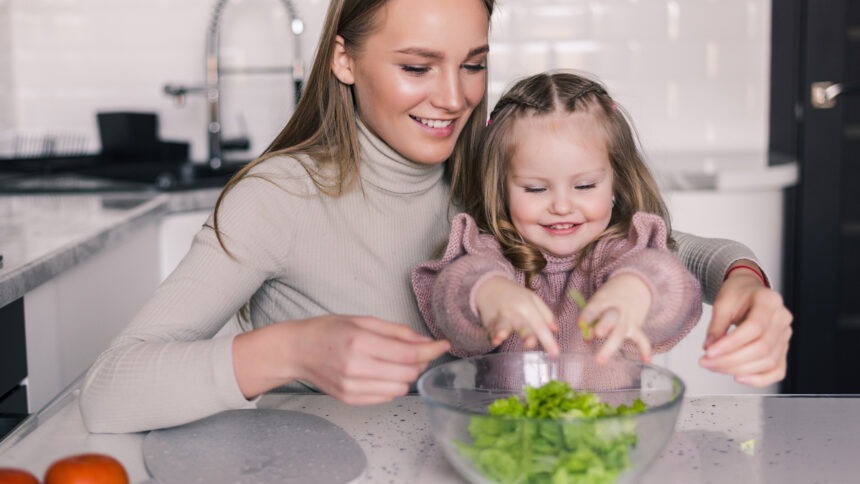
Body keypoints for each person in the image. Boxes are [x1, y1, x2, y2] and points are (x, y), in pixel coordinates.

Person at [79, 0, 791, 434]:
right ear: (344, 59)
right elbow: (110, 389)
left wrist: (744, 278)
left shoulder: (486, 168)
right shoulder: (279, 198)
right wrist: (290, 353)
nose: (453, 100)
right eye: (418, 67)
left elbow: (664, 251)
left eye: (473, 65)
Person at [413, 71, 703, 365]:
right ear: (500, 187)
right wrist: (489, 294)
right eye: (536, 189)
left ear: (617, 180)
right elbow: (452, 291)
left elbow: (675, 285)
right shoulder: (494, 254)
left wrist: (637, 289)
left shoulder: (622, 251)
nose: (562, 207)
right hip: (510, 413)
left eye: (585, 186)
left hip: (615, 413)